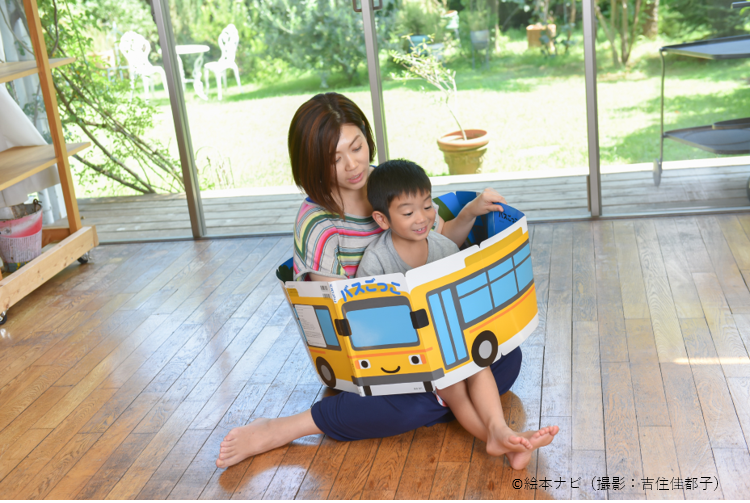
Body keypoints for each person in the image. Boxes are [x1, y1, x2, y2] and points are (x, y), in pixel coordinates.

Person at [215, 93, 558, 471]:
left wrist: (468, 213)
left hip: (436, 339)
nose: (353, 165)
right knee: (428, 389)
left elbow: (439, 239)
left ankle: (449, 405)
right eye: (334, 158)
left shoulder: (388, 182)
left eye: (357, 147)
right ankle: (285, 428)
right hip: (375, 356)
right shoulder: (318, 223)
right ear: (312, 163)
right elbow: (338, 317)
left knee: (507, 359)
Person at [356, 159, 554, 462]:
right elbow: (366, 320)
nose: (422, 218)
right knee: (454, 387)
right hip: (411, 353)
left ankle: (500, 432)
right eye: (408, 213)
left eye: (427, 206)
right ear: (382, 219)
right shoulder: (376, 261)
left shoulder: (445, 248)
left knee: (478, 364)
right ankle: (501, 439)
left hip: (451, 341)